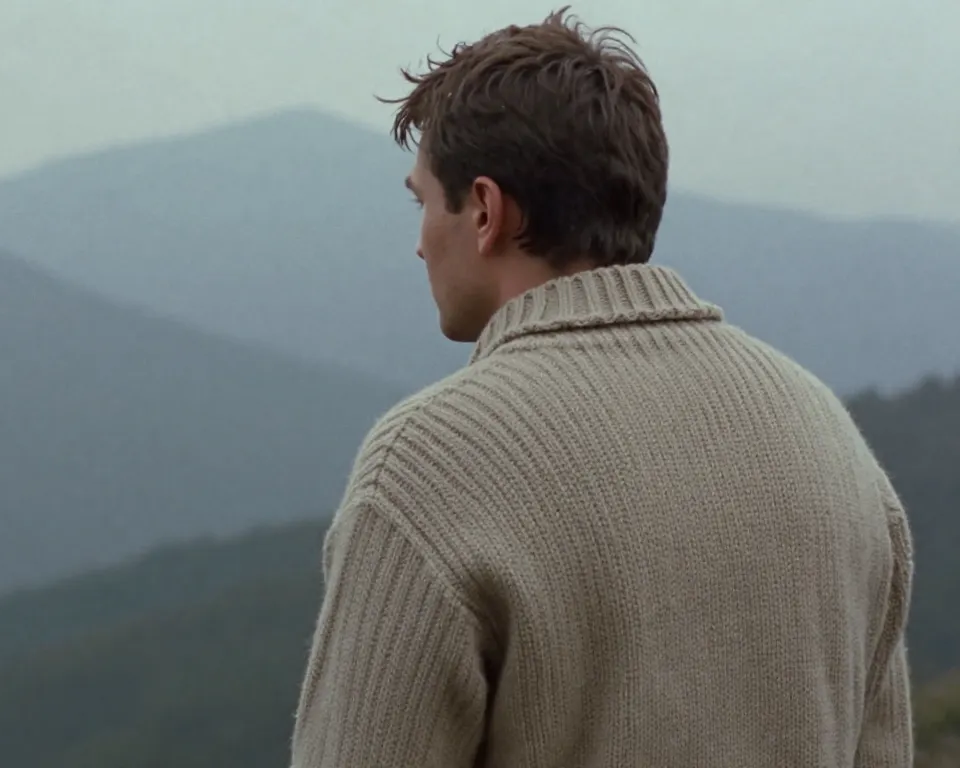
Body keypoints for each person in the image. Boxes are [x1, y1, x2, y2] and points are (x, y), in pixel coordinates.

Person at [289, 7, 915, 767]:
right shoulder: (827, 437)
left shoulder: (431, 466)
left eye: (422, 201)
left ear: (484, 210)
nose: (419, 243)